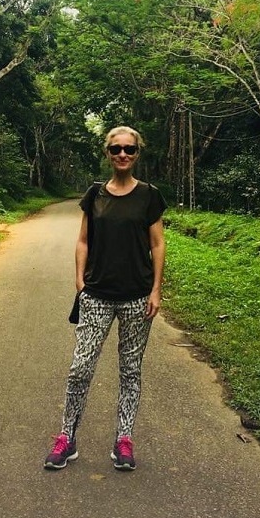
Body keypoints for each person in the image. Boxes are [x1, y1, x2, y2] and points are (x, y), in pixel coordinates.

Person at [44, 126, 166, 471]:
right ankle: (67, 438)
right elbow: (83, 240)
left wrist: (156, 289)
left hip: (136, 297)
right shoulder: (95, 194)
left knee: (130, 371)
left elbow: (157, 244)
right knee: (80, 368)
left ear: (138, 153)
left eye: (129, 149)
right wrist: (79, 280)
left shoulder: (149, 196)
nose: (123, 154)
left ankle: (123, 440)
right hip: (96, 294)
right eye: (116, 149)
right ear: (107, 153)